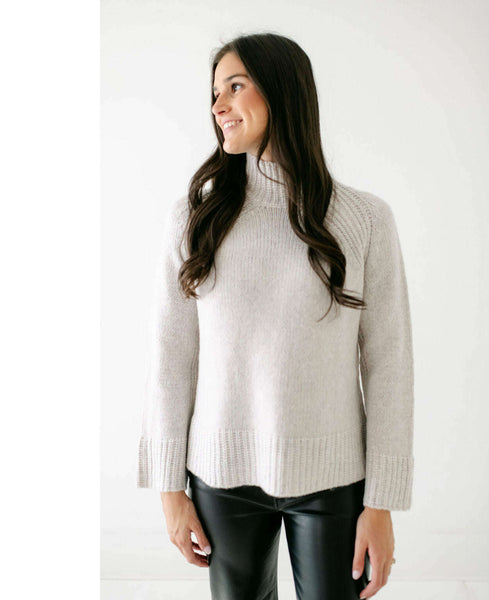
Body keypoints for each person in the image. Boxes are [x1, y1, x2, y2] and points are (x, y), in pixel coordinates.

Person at [136, 32, 415, 600]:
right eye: (215, 92)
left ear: (283, 92)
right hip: (220, 479)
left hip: (335, 481)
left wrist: (382, 503)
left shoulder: (365, 220)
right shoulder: (194, 219)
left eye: (235, 86)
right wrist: (170, 491)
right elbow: (171, 359)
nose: (218, 106)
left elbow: (389, 367)